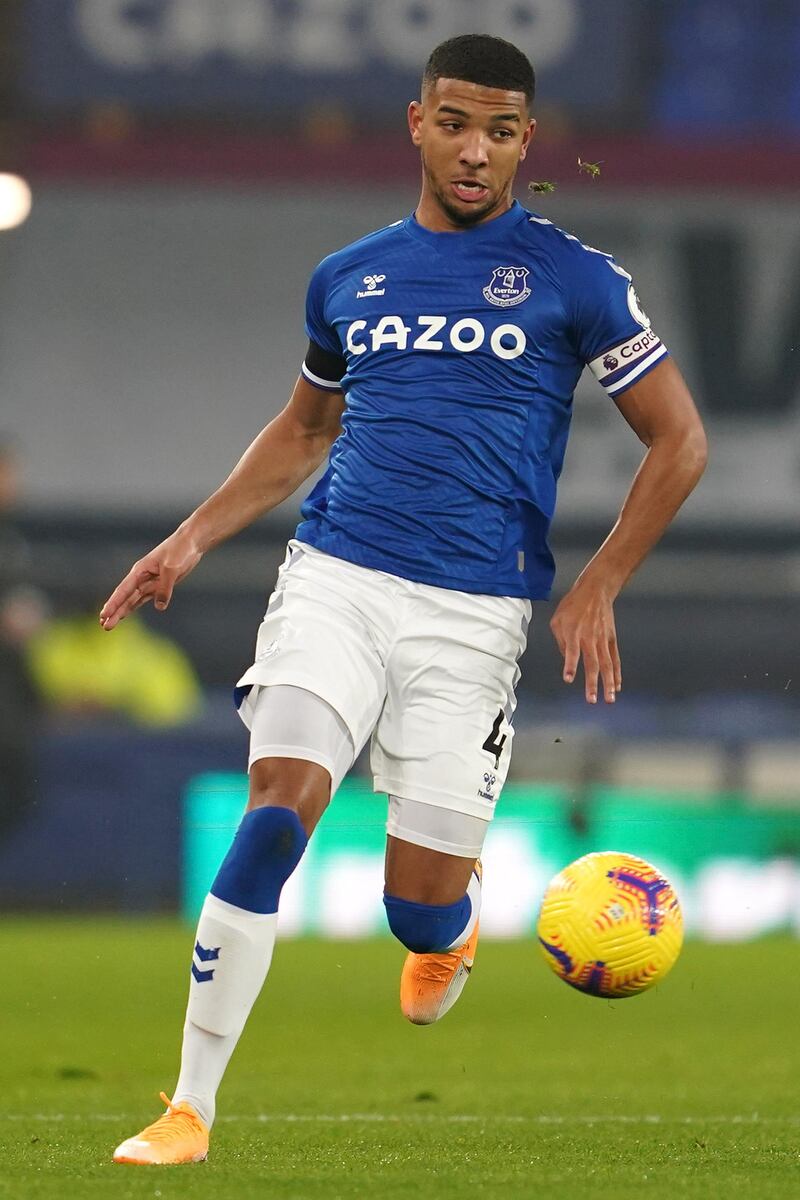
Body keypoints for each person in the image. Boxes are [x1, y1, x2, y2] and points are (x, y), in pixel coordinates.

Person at [102, 34, 707, 1166]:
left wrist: (601, 580)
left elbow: (679, 442)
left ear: (528, 141)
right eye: (455, 124)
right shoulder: (349, 275)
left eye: (502, 130)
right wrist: (189, 536)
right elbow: (301, 432)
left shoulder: (575, 277)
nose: (476, 151)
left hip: (473, 615)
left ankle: (447, 927)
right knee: (278, 806)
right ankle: (189, 1107)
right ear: (415, 123)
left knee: (414, 910)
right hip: (334, 574)